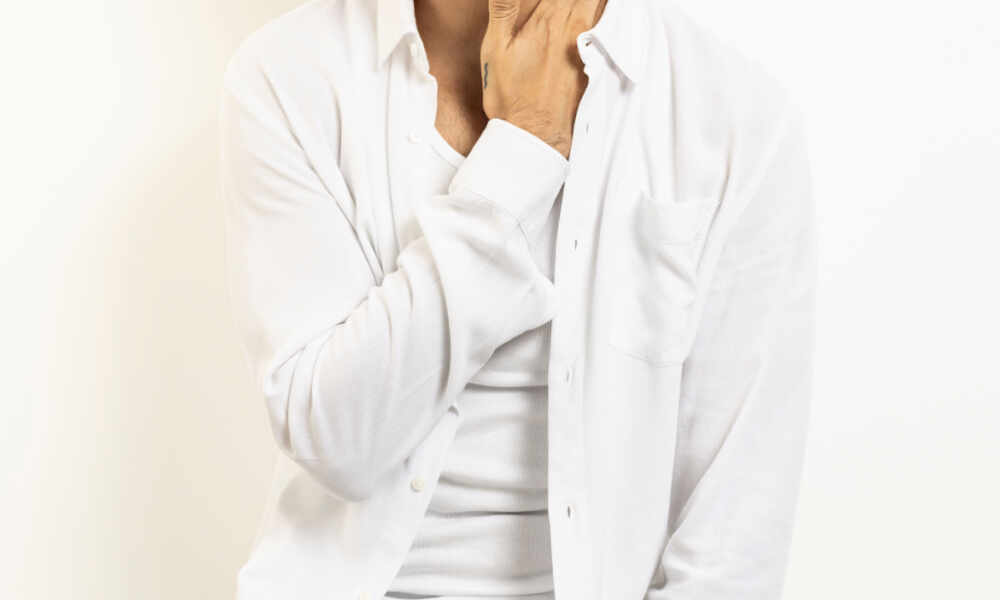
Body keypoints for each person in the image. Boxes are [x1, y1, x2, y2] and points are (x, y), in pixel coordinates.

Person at [218, 0, 816, 598]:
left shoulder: (734, 119)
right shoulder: (288, 76)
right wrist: (526, 144)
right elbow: (337, 440)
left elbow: (731, 551)